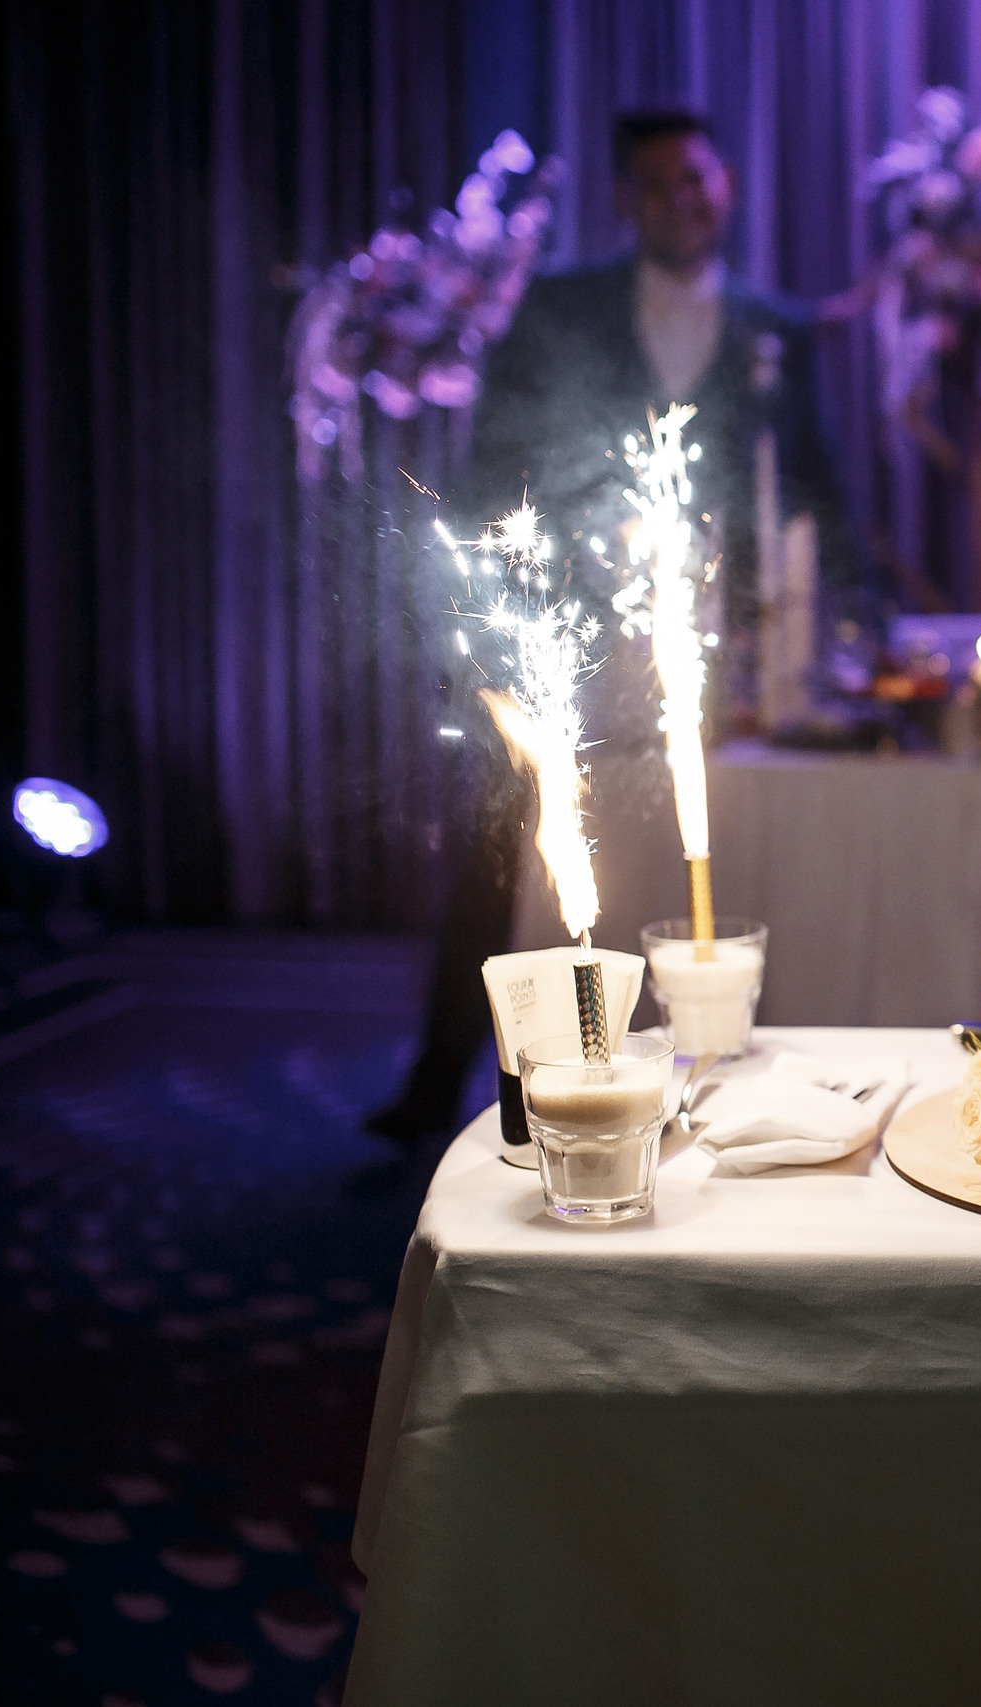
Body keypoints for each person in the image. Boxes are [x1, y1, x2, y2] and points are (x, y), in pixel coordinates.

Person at [366, 110, 862, 1140]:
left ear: (723, 185)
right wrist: (481, 615)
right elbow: (493, 468)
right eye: (655, 186)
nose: (679, 201)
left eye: (695, 181)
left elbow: (813, 490)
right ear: (625, 201)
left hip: (720, 657)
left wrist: (853, 617)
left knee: (700, 852)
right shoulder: (558, 309)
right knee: (513, 855)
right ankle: (450, 1072)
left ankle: (721, 1073)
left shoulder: (779, 327)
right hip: (565, 638)